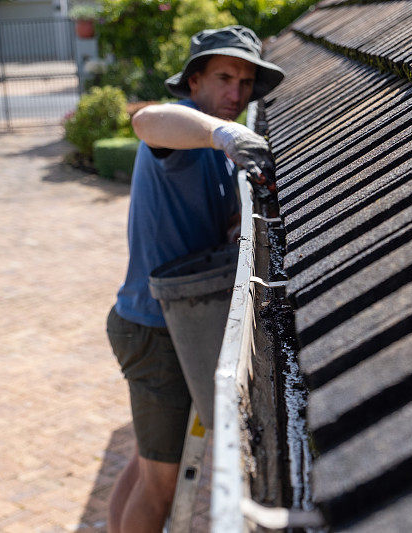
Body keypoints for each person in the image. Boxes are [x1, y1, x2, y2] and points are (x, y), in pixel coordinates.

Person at [105, 26, 284, 533]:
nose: (236, 93)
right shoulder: (183, 134)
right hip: (154, 329)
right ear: (194, 81)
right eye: (225, 77)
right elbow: (146, 121)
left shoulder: (217, 152)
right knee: (161, 487)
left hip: (157, 321)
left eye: (246, 82)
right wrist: (219, 133)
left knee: (148, 463)